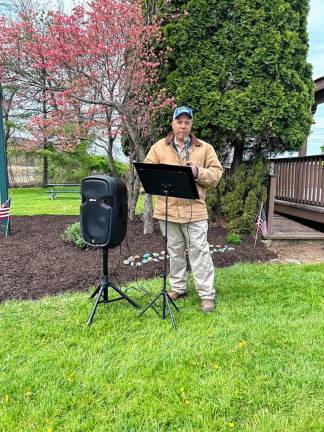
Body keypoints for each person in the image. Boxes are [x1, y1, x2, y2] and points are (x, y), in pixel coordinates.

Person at [144, 106, 223, 312]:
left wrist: (197, 171)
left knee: (200, 253)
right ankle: (178, 288)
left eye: (187, 122)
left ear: (191, 125)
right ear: (173, 124)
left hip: (195, 212)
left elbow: (216, 174)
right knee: (175, 252)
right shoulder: (159, 147)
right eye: (179, 121)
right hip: (167, 211)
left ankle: (206, 294)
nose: (183, 125)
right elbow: (147, 170)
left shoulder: (204, 148)